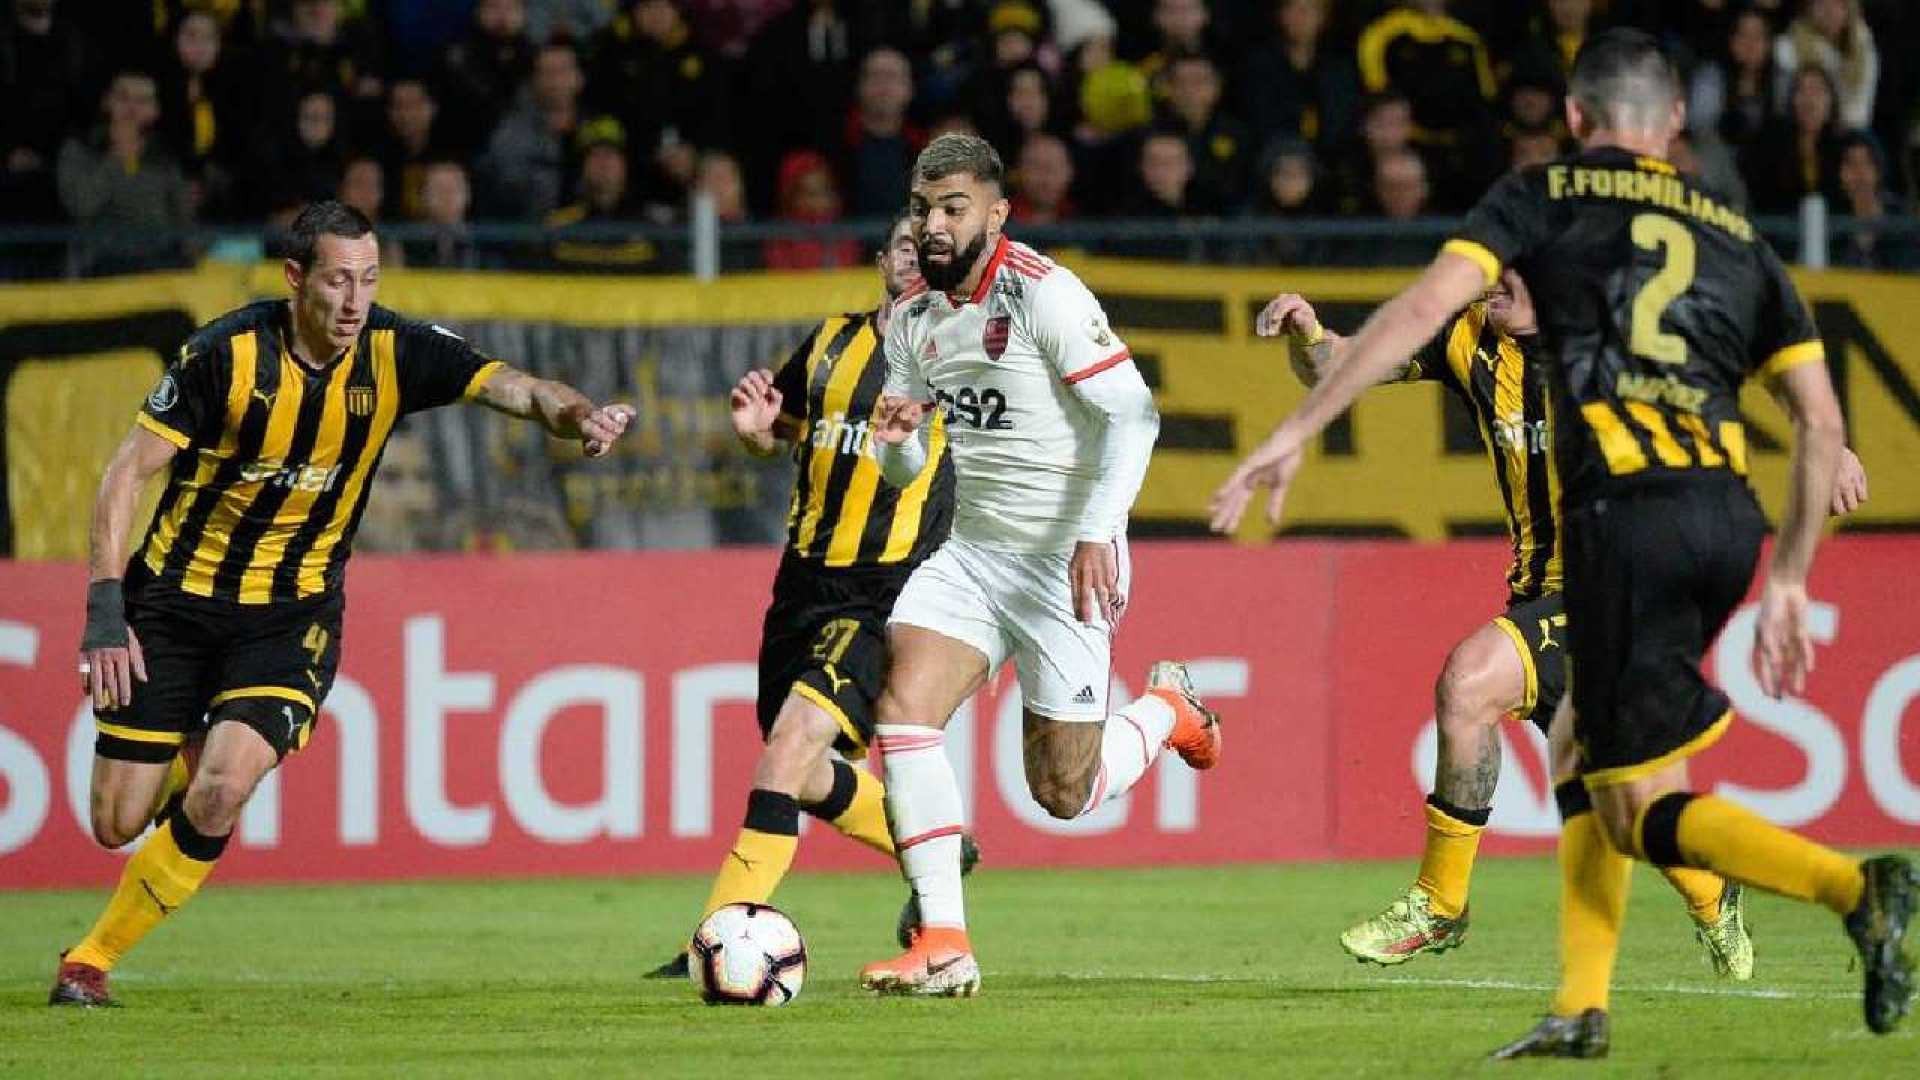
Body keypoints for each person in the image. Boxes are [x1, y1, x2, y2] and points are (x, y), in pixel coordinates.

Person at [1210, 29, 1915, 1057]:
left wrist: (1292, 438)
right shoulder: (1716, 238)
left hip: (1618, 543)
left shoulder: (1552, 213)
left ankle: (1856, 887)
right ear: (1672, 126)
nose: (1492, 285)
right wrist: (1808, 527)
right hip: (1714, 530)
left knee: (1491, 698)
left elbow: (1419, 304)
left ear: (1580, 123)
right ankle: (1589, 998)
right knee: (1601, 777)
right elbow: (1787, 395)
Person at [50, 201, 635, 1008]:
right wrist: (106, 610)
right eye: (337, 280)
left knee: (222, 788)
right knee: (116, 823)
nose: (355, 300)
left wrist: (581, 416)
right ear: (296, 279)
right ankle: (190, 758)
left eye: (367, 279)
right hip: (174, 606)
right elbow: (124, 474)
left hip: (291, 617)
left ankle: (89, 959)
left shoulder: (394, 350)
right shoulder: (224, 356)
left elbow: (519, 388)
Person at [1269, 272, 1861, 976]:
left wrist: (1828, 442)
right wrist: (1307, 334)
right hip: (1542, 592)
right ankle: (1712, 890)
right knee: (1628, 798)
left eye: (1516, 269)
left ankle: (1440, 904)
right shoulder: (1464, 336)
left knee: (1468, 683)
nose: (1494, 281)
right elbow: (1335, 368)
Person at [857, 133, 1220, 997]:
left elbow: (1133, 415)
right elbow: (908, 462)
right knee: (902, 706)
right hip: (976, 553)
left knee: (1064, 793)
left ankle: (1167, 711)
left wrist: (1100, 529)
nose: (934, 225)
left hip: (1067, 561)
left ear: (995, 211)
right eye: (922, 209)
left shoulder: (1042, 293)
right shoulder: (912, 321)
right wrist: (898, 449)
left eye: (953, 208)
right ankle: (944, 941)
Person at [645, 217, 973, 980]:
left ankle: (715, 936)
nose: (915, 259)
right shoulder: (829, 343)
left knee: (788, 748)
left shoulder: (960, 361)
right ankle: (933, 842)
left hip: (887, 589)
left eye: (929, 250)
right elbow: (785, 429)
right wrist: (757, 433)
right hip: (801, 582)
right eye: (902, 245)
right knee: (803, 767)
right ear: (883, 262)